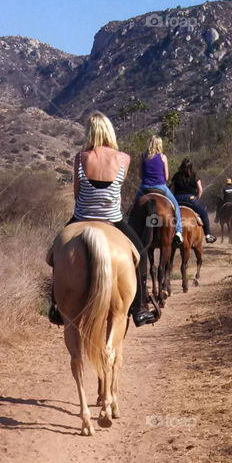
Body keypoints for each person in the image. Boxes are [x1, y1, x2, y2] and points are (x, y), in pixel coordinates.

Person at [49, 112, 158, 327]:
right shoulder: (124, 159)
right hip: (113, 220)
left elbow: (77, 194)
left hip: (81, 217)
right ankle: (139, 308)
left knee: (55, 253)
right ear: (109, 131)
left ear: (90, 133)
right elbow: (116, 189)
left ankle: (56, 305)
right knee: (141, 254)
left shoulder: (80, 158)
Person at [136, 135, 183, 242]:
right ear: (159, 145)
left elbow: (140, 175)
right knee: (176, 205)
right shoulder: (163, 157)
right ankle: (179, 232)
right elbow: (166, 177)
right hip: (161, 187)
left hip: (145, 187)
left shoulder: (143, 156)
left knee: (132, 208)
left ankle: (129, 232)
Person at [169, 159, 216, 242]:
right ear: (191, 167)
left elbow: (172, 190)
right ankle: (208, 235)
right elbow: (200, 190)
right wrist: (196, 199)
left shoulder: (176, 176)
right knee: (204, 214)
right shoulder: (194, 175)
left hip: (178, 199)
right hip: (191, 199)